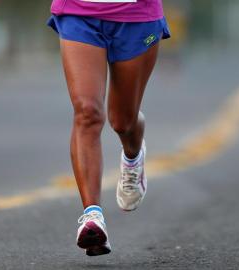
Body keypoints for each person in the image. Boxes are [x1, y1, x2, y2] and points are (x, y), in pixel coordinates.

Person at [47, 0, 170, 256]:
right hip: (78, 11)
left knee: (123, 121)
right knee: (87, 112)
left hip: (137, 16)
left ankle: (133, 156)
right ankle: (92, 216)